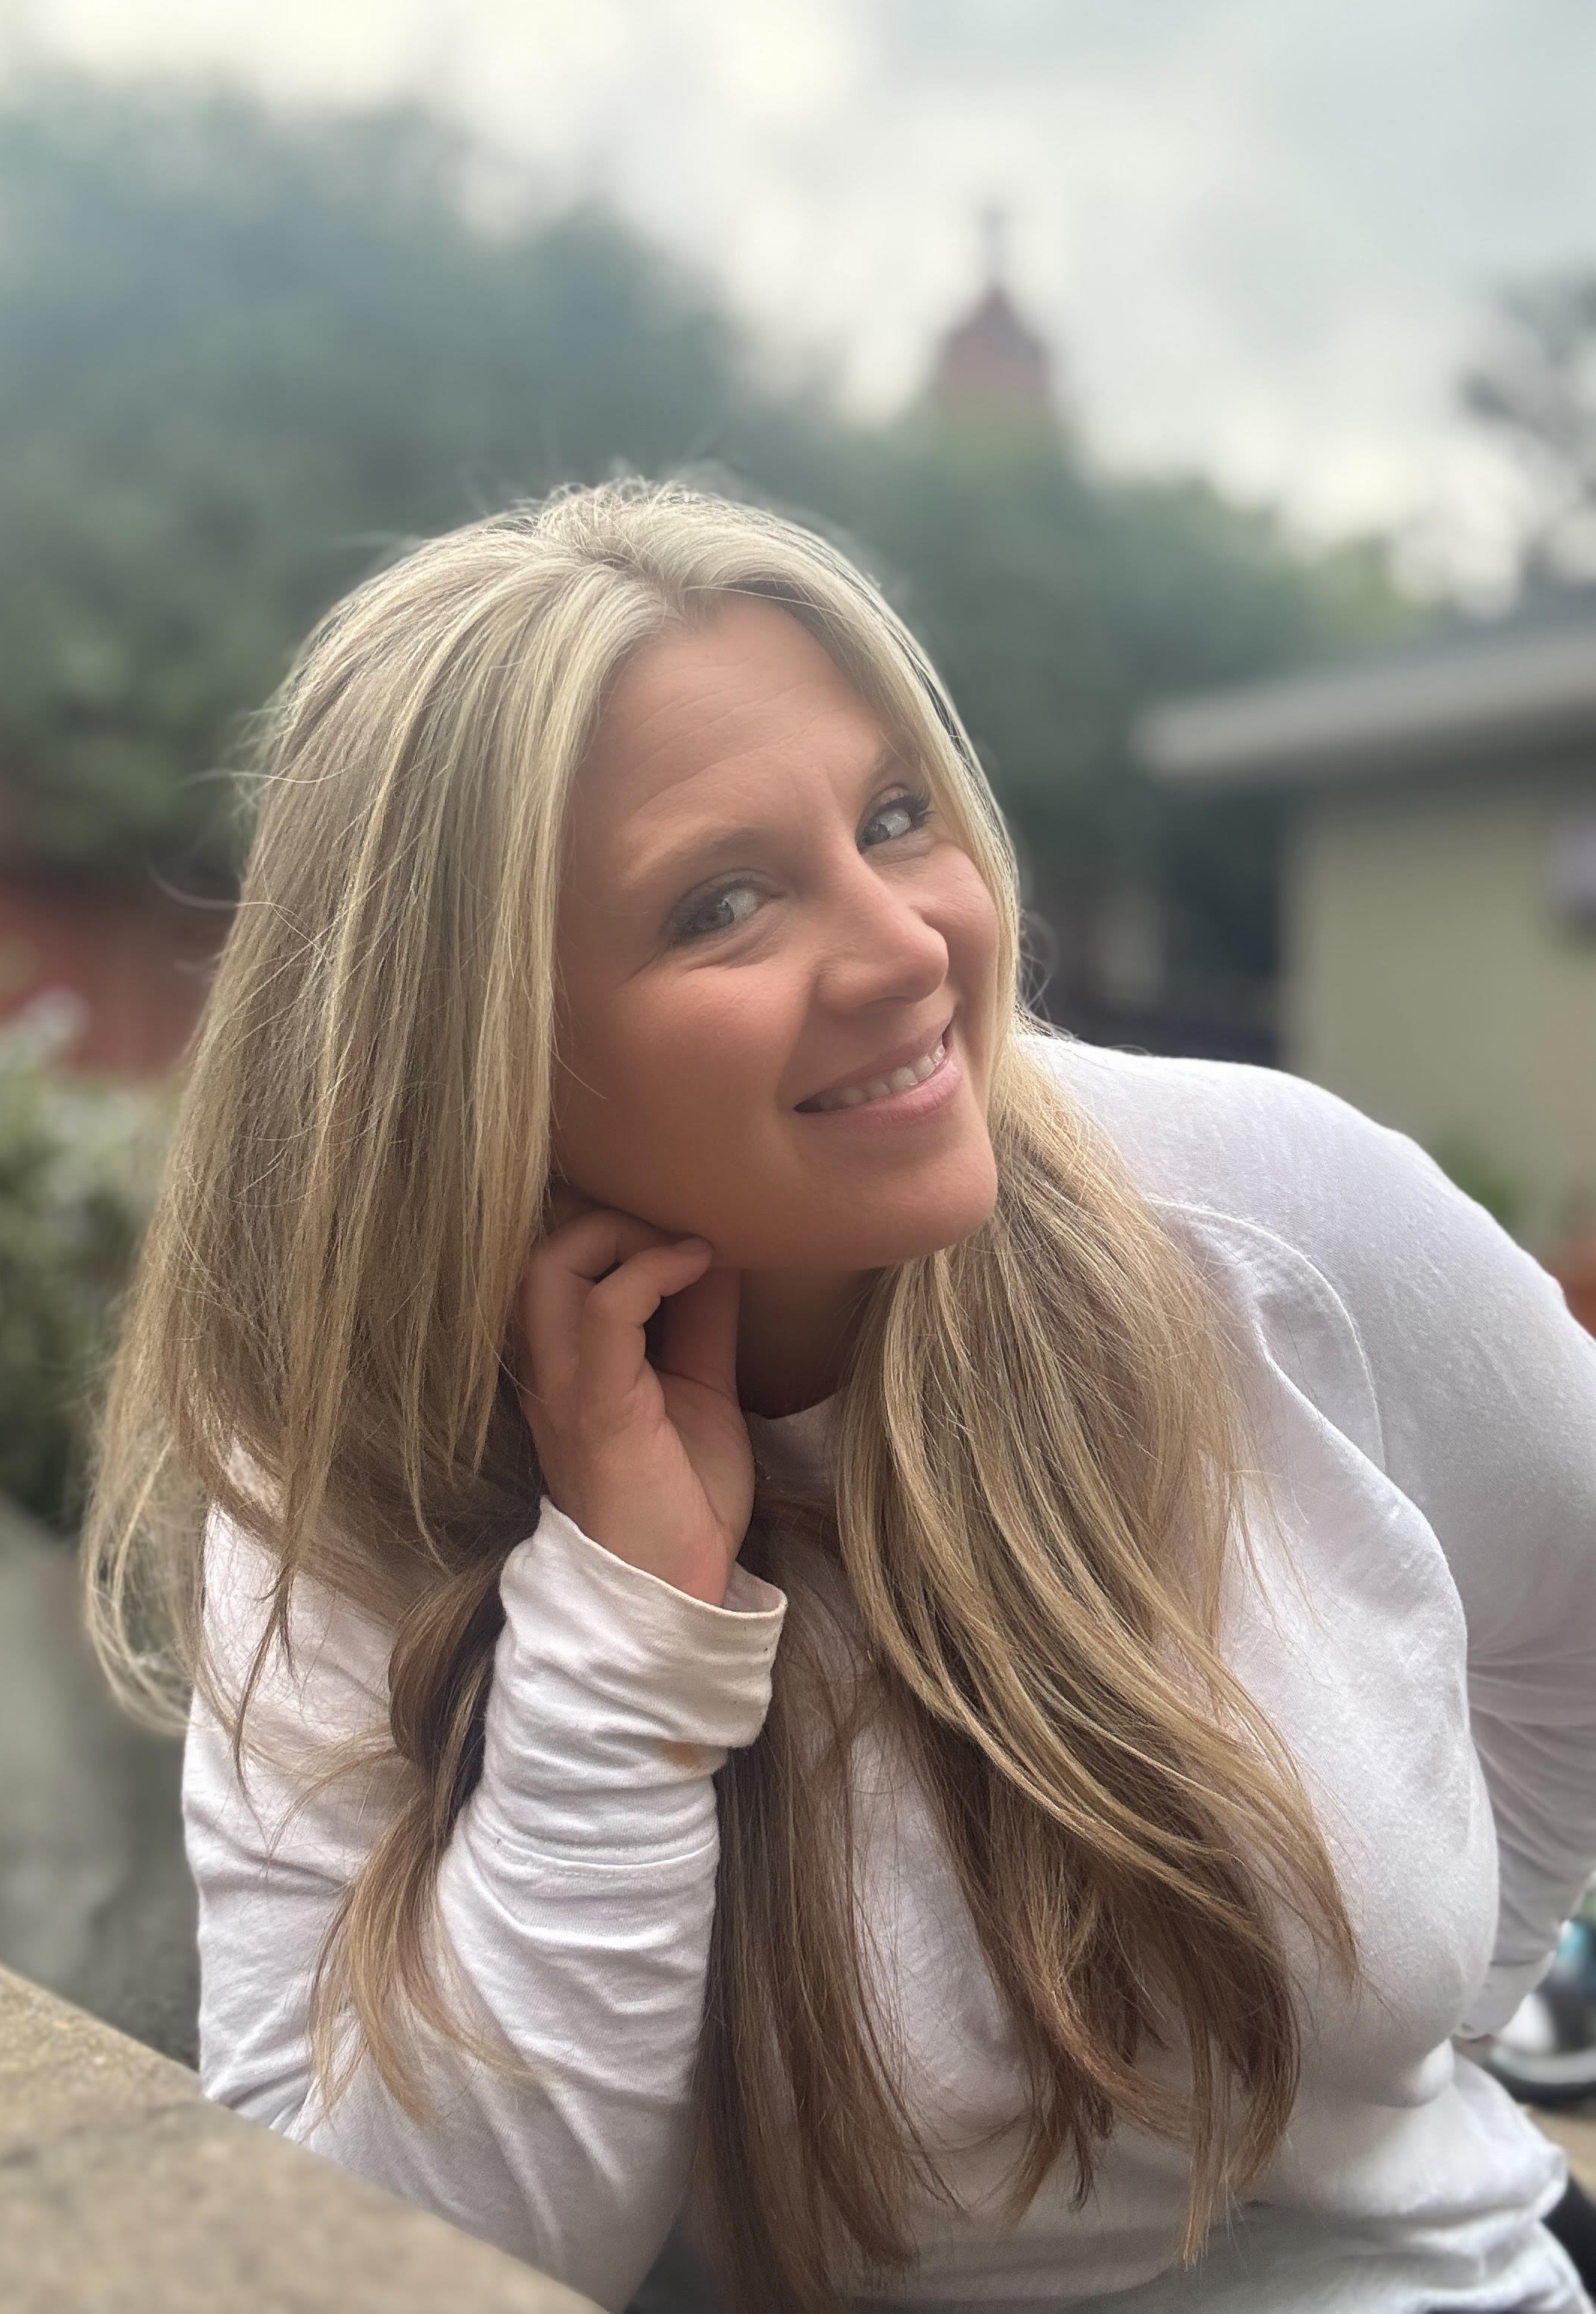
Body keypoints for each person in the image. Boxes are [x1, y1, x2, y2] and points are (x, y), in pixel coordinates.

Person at [82, 480, 1596, 2314]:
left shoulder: (1265, 1211)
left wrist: (1400, 2043)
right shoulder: (343, 1453)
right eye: (722, 903)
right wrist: (625, 1635)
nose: (908, 950)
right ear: (476, 1049)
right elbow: (371, 2263)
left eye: (897, 817)